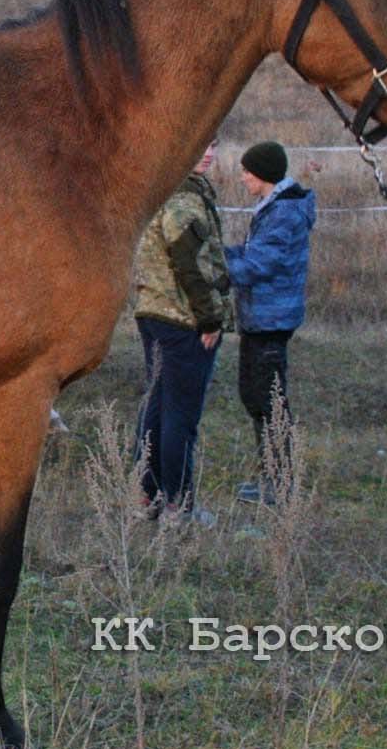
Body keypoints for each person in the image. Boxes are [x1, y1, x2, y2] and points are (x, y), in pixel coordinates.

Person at [132, 137, 233, 525]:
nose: (208, 153)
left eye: (213, 145)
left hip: (152, 311)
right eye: (200, 144)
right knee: (179, 416)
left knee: (158, 407)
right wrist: (209, 317)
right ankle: (177, 505)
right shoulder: (184, 196)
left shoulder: (156, 186)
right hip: (182, 320)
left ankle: (148, 496)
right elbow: (188, 262)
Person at [225, 141, 316, 505]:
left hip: (271, 319)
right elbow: (252, 253)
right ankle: (271, 477)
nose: (243, 177)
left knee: (269, 400)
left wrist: (214, 270)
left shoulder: (283, 214)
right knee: (254, 395)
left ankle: (280, 484)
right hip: (260, 318)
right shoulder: (272, 208)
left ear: (262, 174)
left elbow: (258, 265)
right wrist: (219, 251)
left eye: (247, 171)